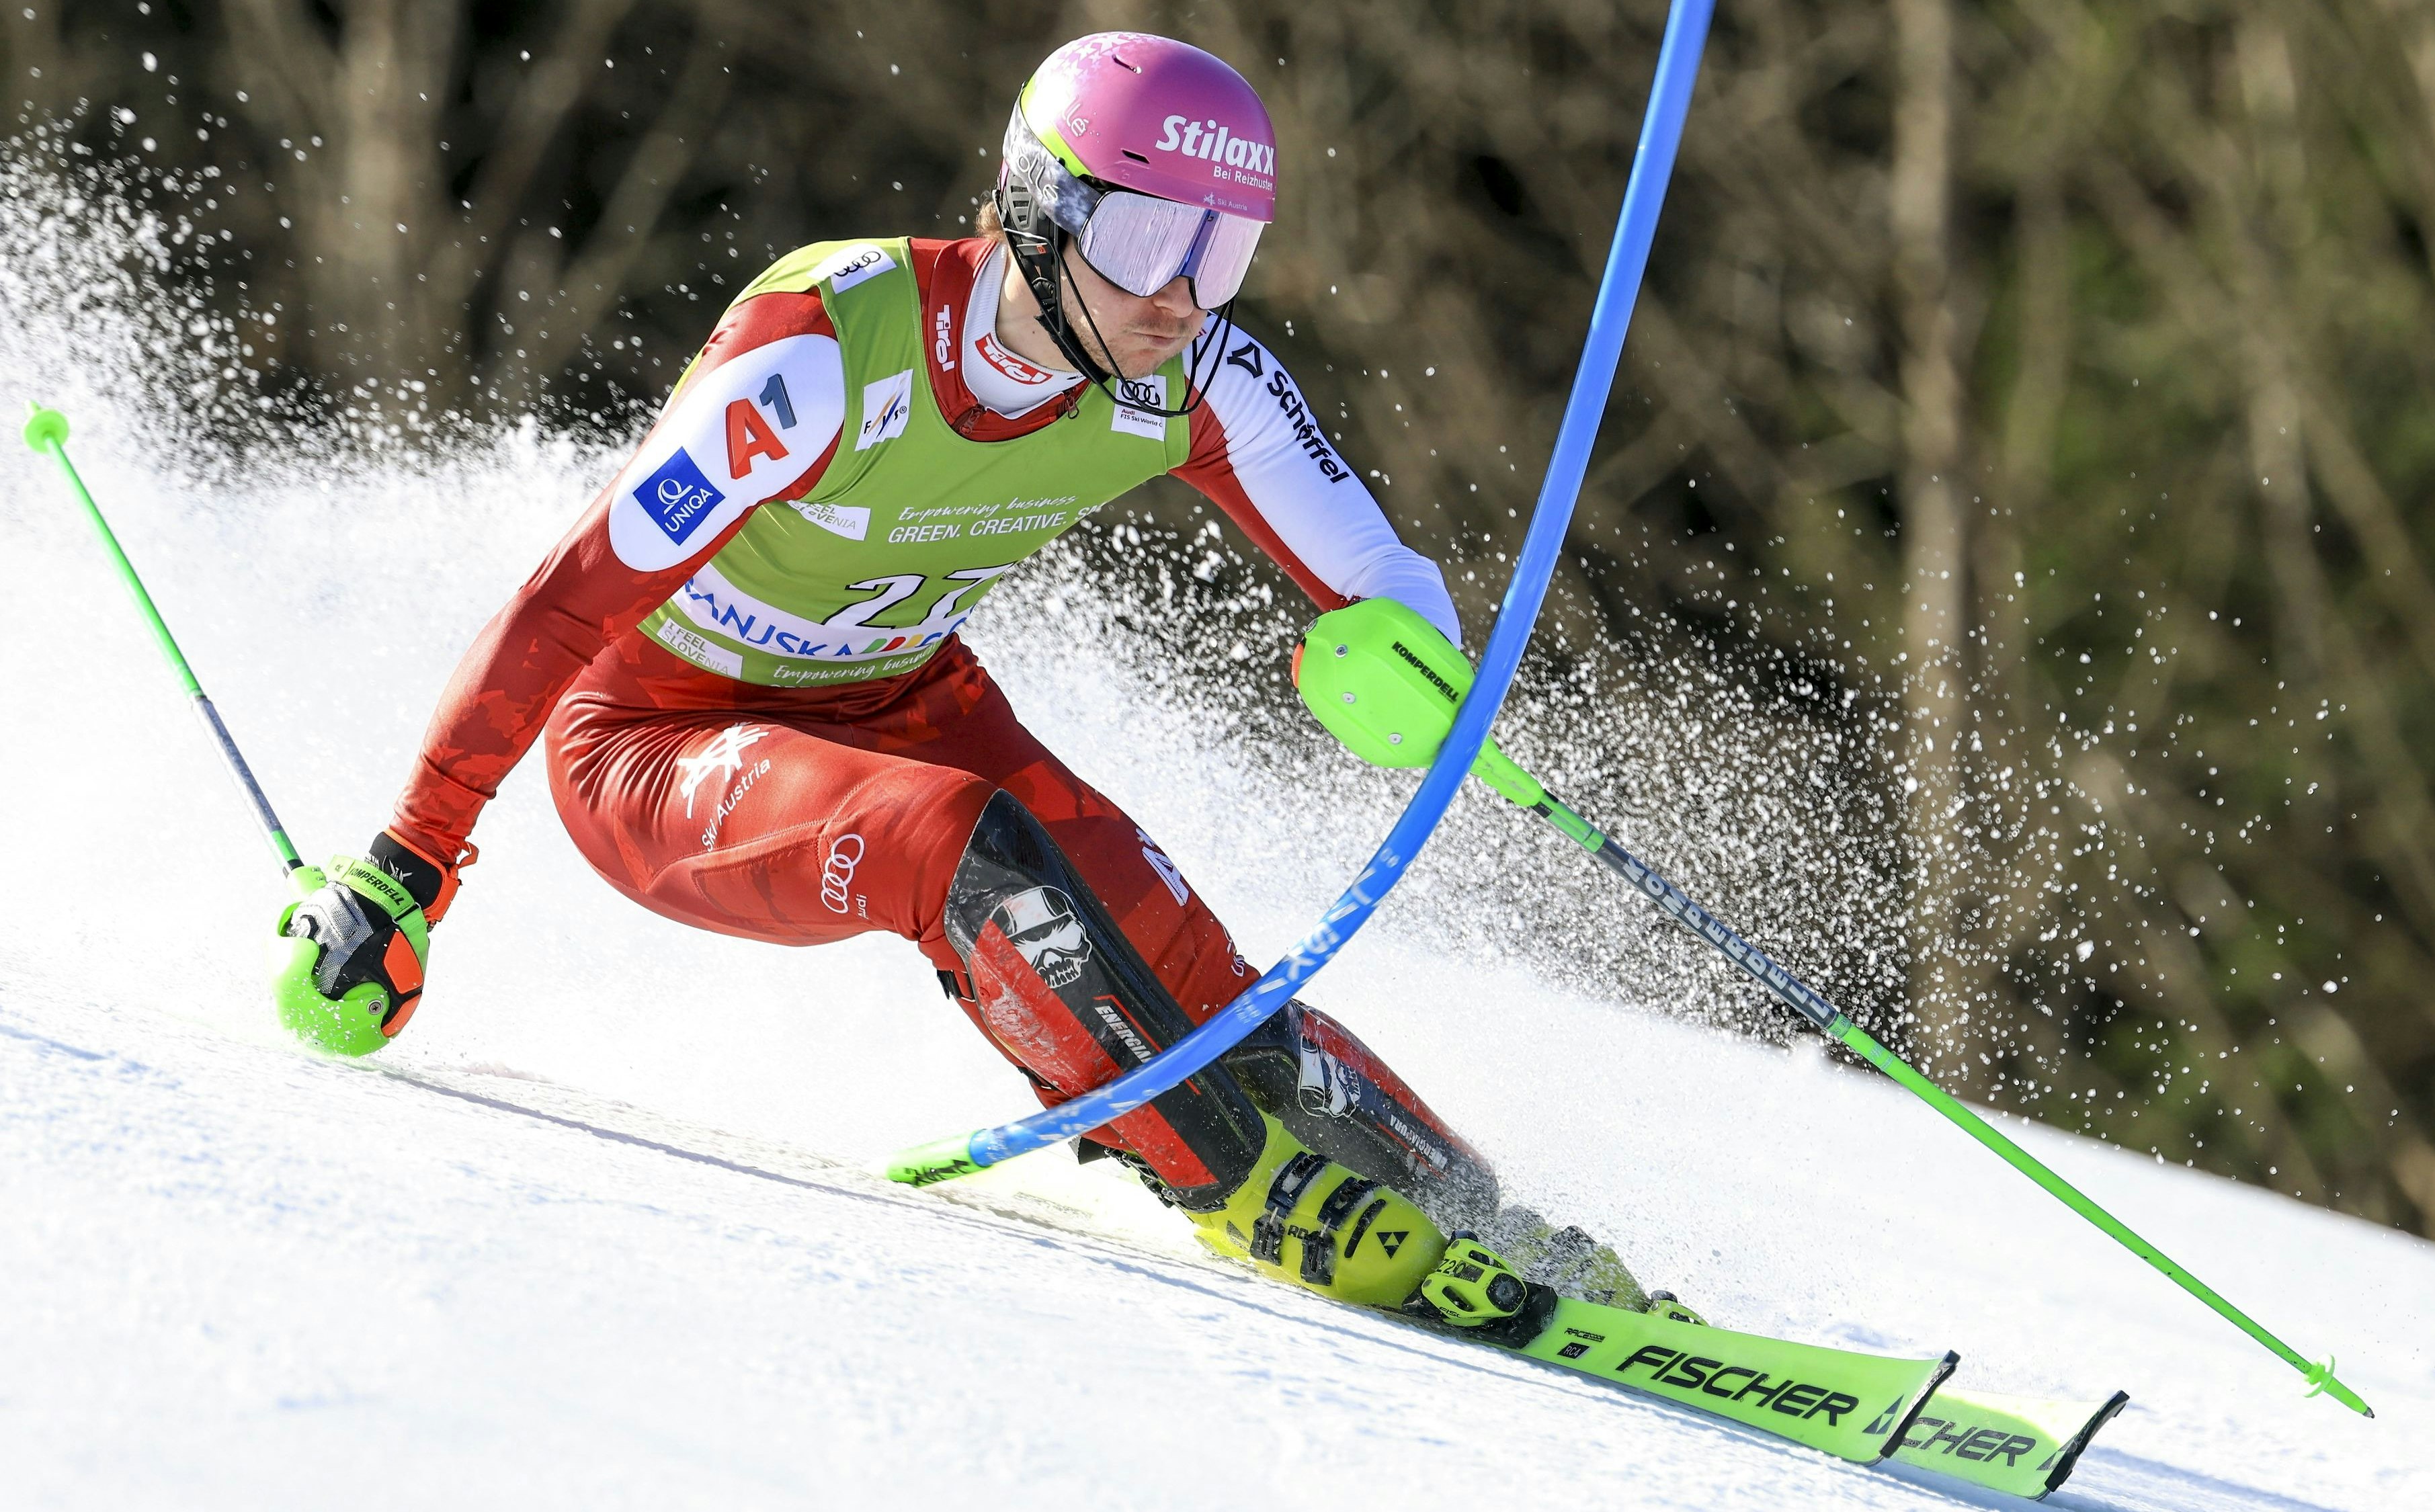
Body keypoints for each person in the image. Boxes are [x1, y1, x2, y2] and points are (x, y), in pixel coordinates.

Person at [273, 32, 1674, 1328]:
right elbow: (564, 604)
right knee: (961, 853)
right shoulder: (822, 358)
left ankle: (1496, 1230)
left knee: (1201, 981)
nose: (1181, 299)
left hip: (907, 702)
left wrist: (1405, 669)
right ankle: (1239, 1190)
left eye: (1223, 252)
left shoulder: (1191, 379)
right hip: (659, 739)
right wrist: (408, 868)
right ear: (1035, 207)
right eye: (1139, 239)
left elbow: (1385, 576)